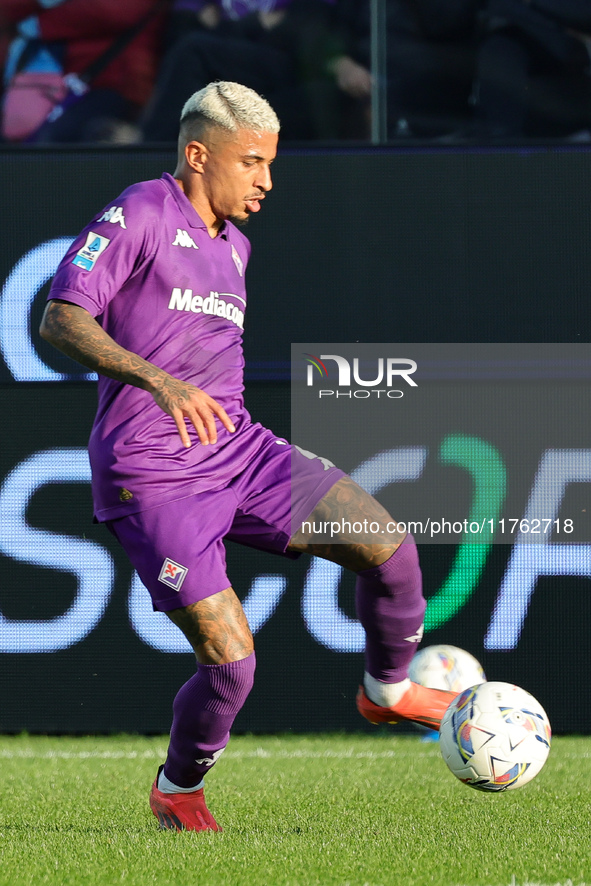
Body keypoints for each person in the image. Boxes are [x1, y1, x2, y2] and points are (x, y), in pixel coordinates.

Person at [39, 81, 456, 833]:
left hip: (239, 450)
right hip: (153, 472)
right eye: (252, 162)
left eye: (270, 164)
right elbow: (61, 318)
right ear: (198, 155)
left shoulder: (236, 244)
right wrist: (155, 379)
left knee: (391, 550)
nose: (266, 181)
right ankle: (177, 788)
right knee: (232, 663)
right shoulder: (140, 212)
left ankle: (386, 691)